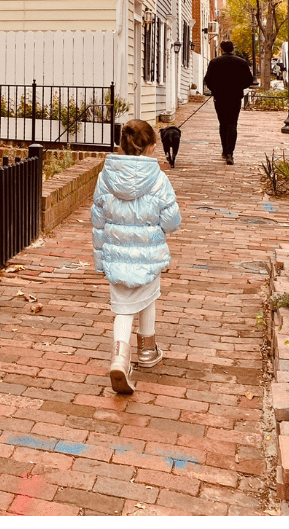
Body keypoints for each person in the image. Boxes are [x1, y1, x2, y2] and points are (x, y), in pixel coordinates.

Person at [91, 119, 182, 395]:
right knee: (148, 294)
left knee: (122, 307)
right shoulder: (158, 179)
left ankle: (125, 355)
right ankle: (142, 352)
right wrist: (155, 229)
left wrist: (100, 261)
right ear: (152, 146)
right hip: (147, 253)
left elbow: (98, 219)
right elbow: (172, 220)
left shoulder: (105, 176)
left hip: (116, 255)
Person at [203, 39, 254, 165]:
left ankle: (225, 150)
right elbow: (249, 80)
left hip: (220, 97)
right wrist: (239, 87)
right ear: (233, 49)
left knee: (223, 123)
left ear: (221, 49)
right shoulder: (241, 62)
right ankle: (230, 153)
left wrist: (215, 89)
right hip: (235, 97)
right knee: (232, 123)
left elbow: (207, 80)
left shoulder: (215, 62)